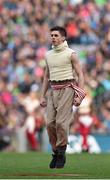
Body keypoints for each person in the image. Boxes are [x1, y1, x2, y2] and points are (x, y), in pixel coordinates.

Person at [40, 26, 86, 168]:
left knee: (61, 122)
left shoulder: (71, 54)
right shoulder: (48, 54)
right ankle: (56, 151)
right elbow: (46, 76)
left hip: (67, 88)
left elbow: (80, 75)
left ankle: (61, 152)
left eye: (56, 35)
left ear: (63, 38)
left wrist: (80, 95)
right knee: (49, 124)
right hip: (53, 90)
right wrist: (42, 96)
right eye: (51, 35)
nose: (53, 37)